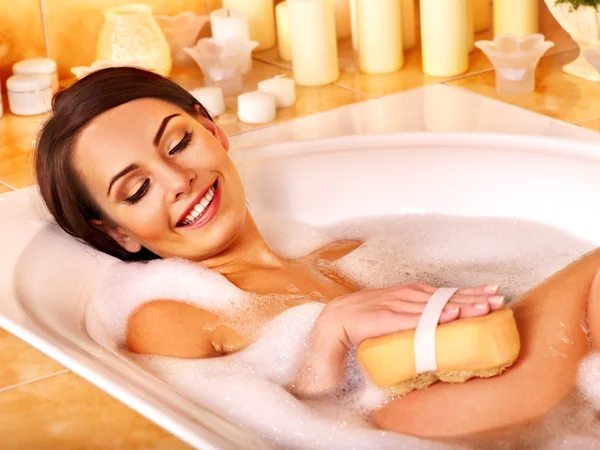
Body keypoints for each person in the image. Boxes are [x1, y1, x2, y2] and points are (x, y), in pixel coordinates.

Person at [34, 67, 599, 441]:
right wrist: (327, 338)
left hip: (483, 382)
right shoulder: (164, 314)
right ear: (118, 234)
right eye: (136, 190)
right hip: (399, 424)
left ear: (214, 132)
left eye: (179, 142)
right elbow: (252, 423)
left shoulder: (347, 250)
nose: (178, 179)